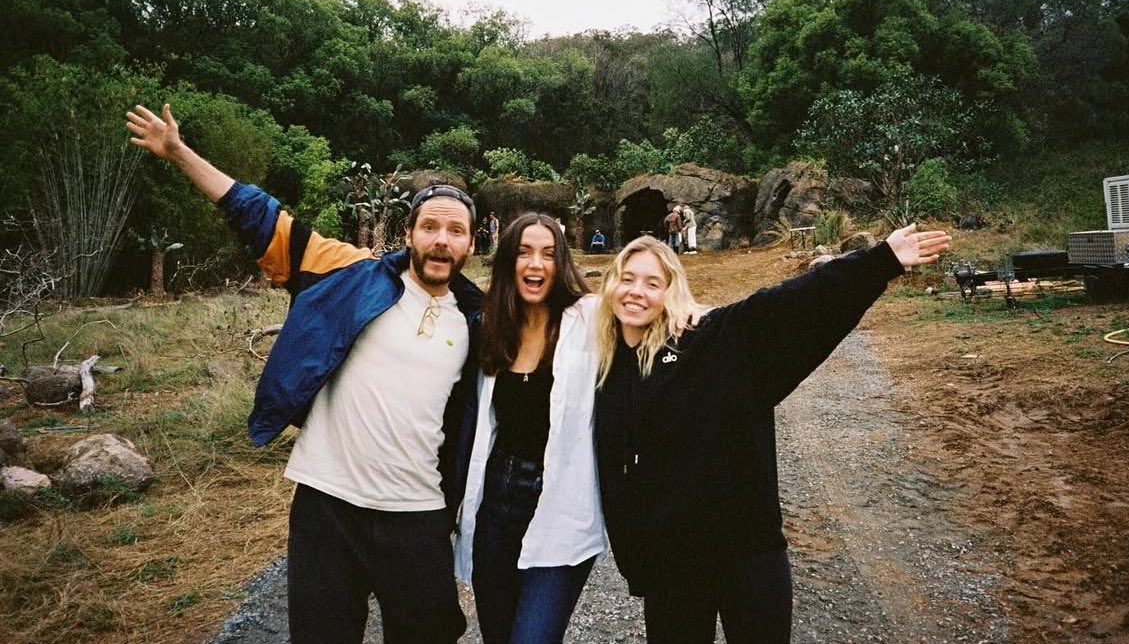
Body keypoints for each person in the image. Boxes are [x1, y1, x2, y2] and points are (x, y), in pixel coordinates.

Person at [125, 103, 480, 644]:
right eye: (429, 226)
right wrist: (178, 152)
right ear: (408, 232)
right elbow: (258, 214)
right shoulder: (351, 274)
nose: (441, 239)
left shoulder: (481, 318)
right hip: (328, 504)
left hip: (418, 511)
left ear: (471, 244)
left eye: (455, 231)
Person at [593, 226, 951, 643]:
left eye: (653, 283)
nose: (637, 291)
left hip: (747, 553)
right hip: (672, 568)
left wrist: (880, 261)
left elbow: (791, 304)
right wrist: (638, 563)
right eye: (627, 278)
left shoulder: (713, 342)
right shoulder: (600, 363)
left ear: (672, 292)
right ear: (610, 285)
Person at [454, 213, 606, 644]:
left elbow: (651, 308)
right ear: (507, 262)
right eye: (523, 253)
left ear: (562, 264)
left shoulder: (590, 320)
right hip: (495, 506)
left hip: (560, 504)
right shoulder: (488, 326)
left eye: (547, 254)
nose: (535, 265)